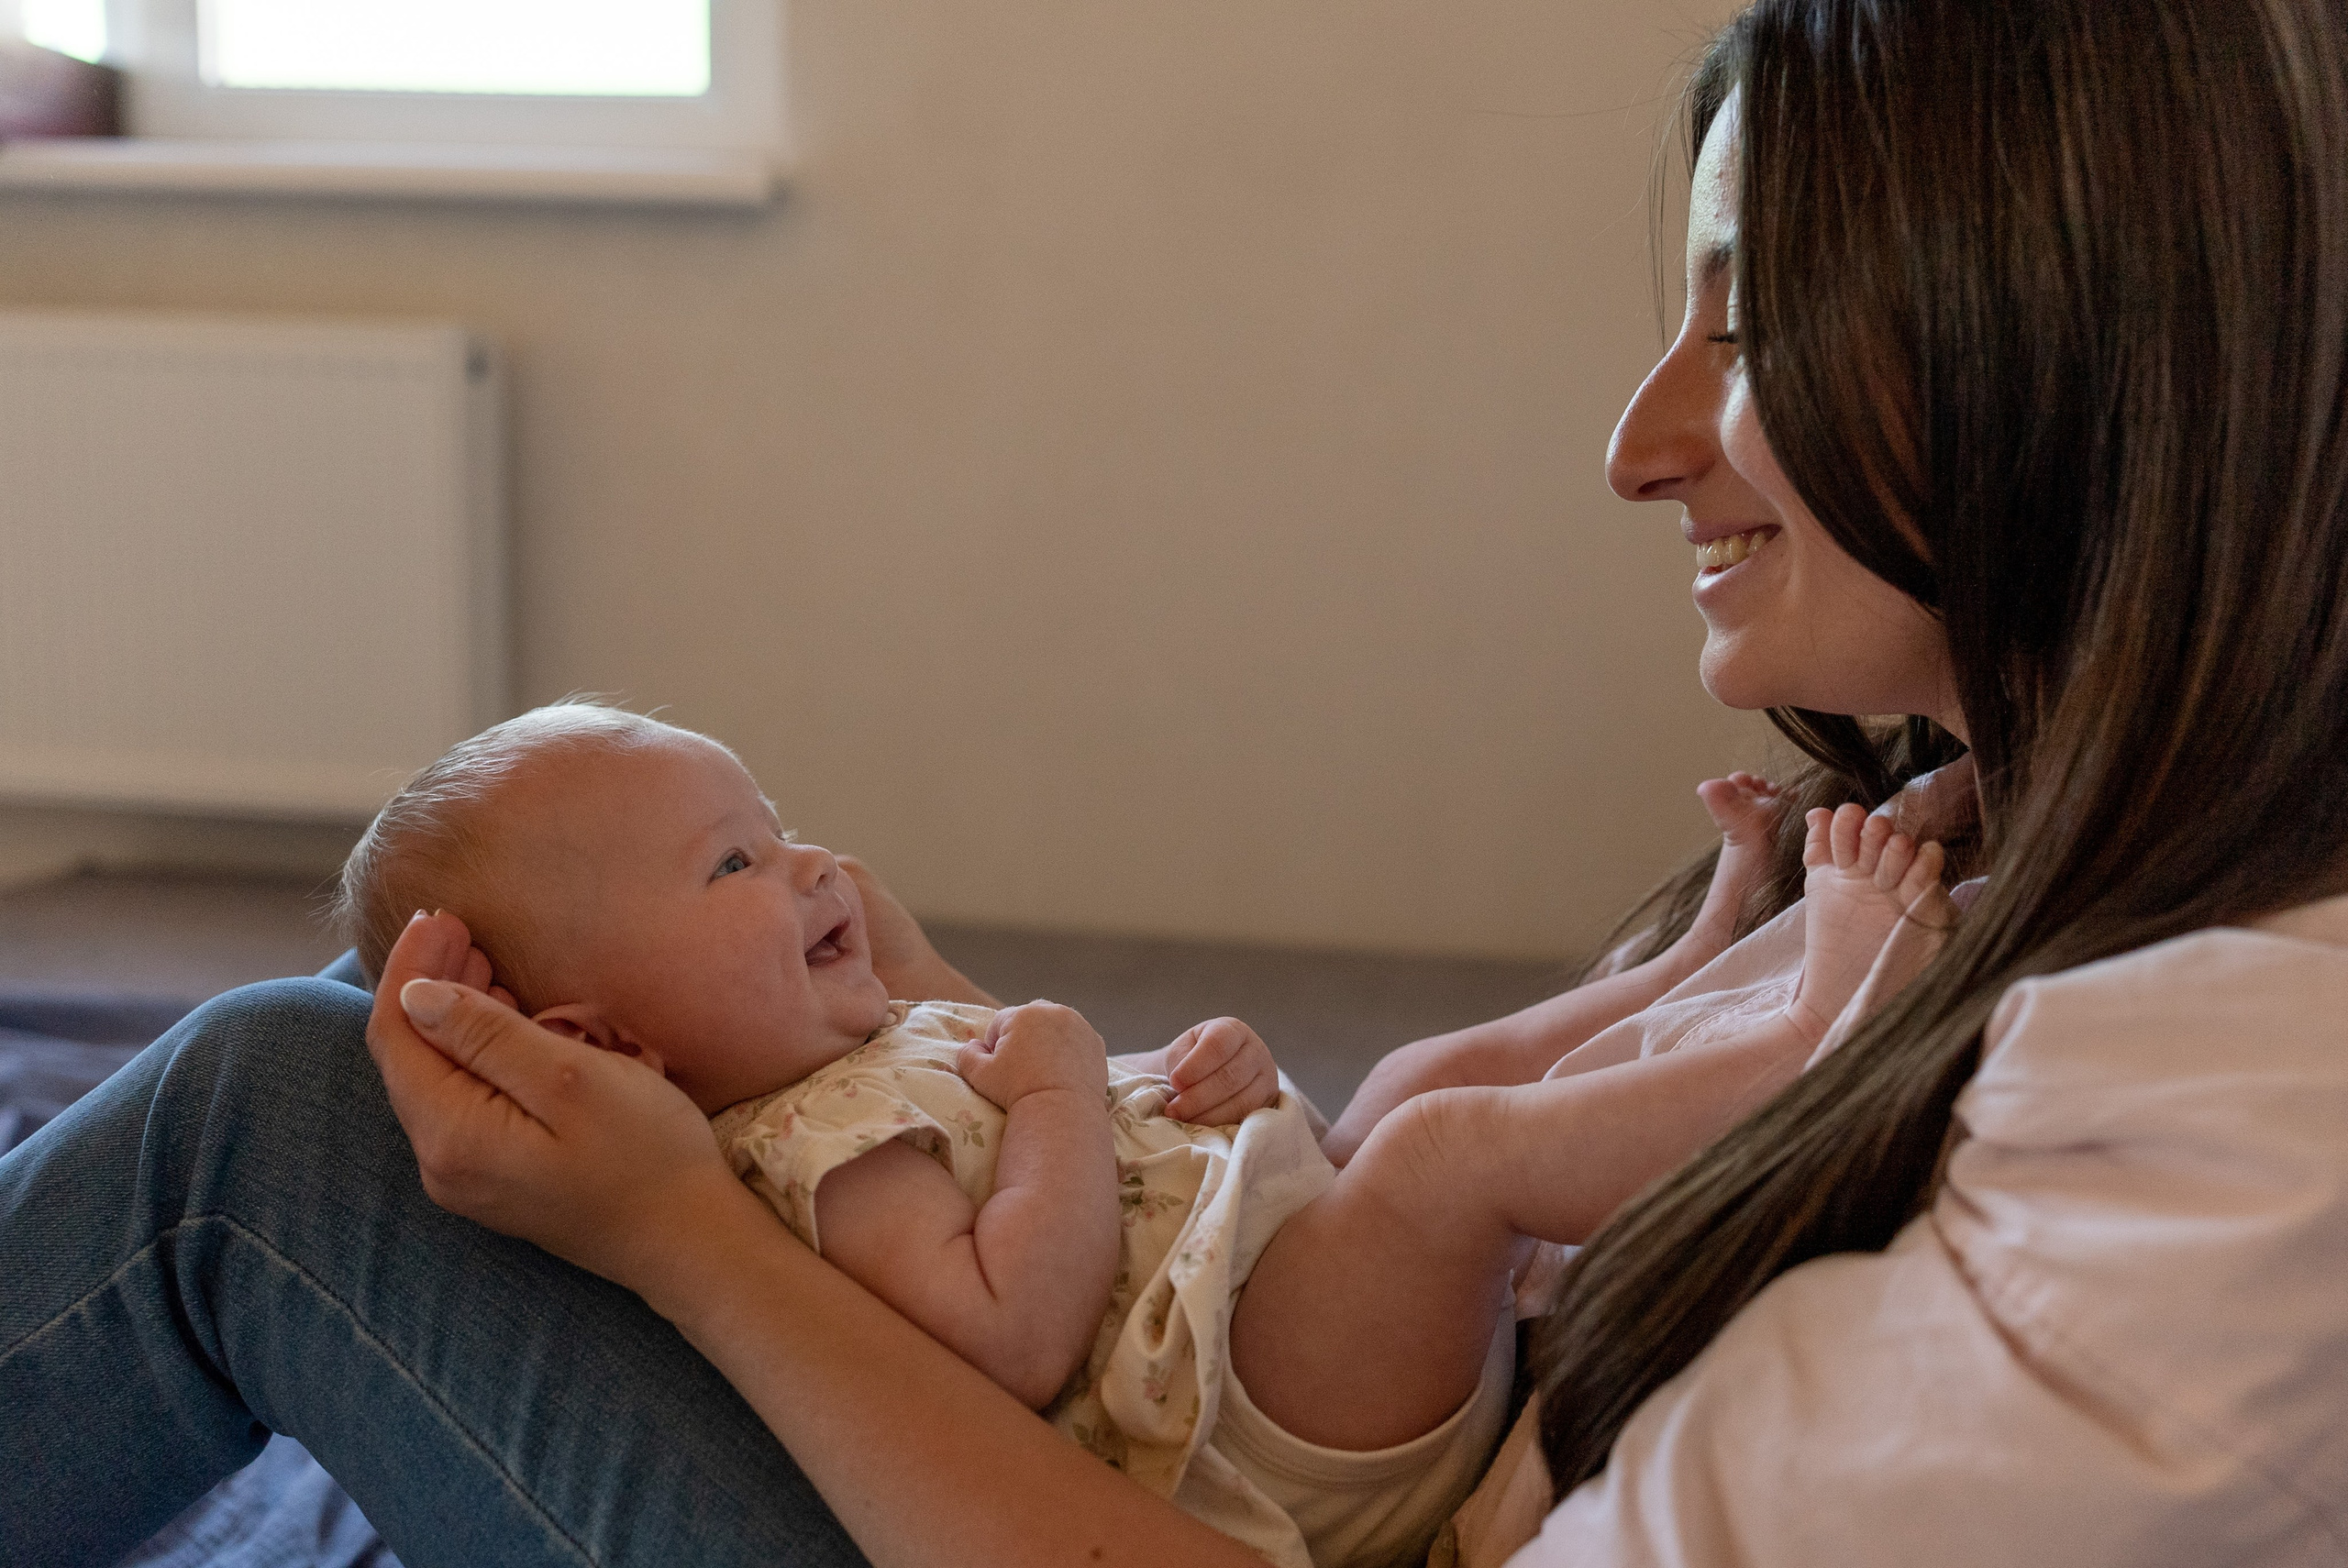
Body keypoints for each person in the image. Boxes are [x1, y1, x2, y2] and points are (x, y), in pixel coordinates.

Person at [5, 0, 2344, 1563]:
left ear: (2073, 352)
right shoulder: (2017, 834)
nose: (1637, 445)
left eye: (1748, 327)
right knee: (385, 1105)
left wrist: (678, 1235)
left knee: (268, 1124)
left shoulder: (2228, 1130)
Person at [324, 701, 1947, 1568]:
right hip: (1249, 1424)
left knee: (1415, 1077)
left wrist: (1178, 1071)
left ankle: (1702, 955)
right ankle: (1814, 1036)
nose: (810, 863)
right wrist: (1054, 1090)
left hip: (1245, 1300)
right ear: (609, 1043)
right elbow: (1016, 1331)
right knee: (1444, 1154)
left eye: (778, 823)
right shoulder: (821, 1162)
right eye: (733, 866)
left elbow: (1068, 1086)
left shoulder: (859, 1043)